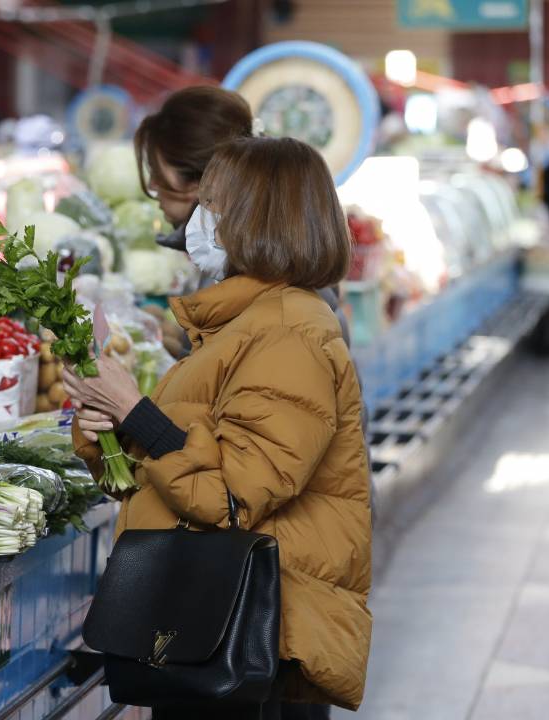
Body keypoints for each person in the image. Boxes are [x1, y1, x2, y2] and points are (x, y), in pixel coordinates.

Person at [64, 137, 372, 720]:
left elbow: (233, 493)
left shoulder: (289, 331)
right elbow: (177, 470)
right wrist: (107, 430)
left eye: (215, 205)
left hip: (242, 622)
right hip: (211, 611)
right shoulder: (247, 322)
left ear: (258, 219)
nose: (199, 220)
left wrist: (139, 415)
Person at [133, 85, 351, 346]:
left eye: (157, 171)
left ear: (200, 180)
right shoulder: (243, 258)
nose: (153, 185)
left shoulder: (260, 281)